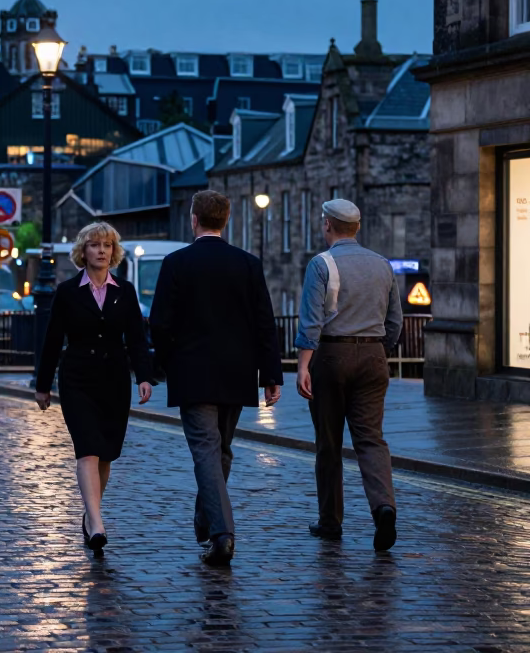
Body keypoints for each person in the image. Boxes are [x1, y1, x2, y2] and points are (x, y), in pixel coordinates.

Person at [149, 190, 282, 567]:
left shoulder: (176, 263)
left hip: (193, 372)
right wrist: (271, 374)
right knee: (220, 450)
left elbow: (159, 323)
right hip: (237, 373)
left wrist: (170, 359)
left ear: (194, 219)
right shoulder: (248, 264)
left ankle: (222, 534)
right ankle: (207, 522)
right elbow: (264, 324)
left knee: (209, 451)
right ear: (225, 220)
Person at [34, 222, 155, 557]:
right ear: (82, 251)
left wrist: (144, 376)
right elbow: (52, 339)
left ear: (113, 251)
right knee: (87, 448)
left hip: (115, 379)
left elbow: (136, 340)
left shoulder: (125, 292)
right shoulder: (68, 291)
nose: (101, 250)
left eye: (107, 245)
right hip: (78, 378)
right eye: (94, 245)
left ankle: (89, 516)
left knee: (105, 453)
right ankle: (98, 522)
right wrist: (43, 385)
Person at [295, 199, 403, 552]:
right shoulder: (382, 264)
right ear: (356, 228)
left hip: (331, 355)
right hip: (373, 355)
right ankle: (383, 507)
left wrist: (302, 366)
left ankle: (331, 521)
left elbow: (311, 321)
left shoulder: (321, 264)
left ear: (328, 225)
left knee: (328, 442)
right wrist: (378, 349)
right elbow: (395, 321)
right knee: (372, 439)